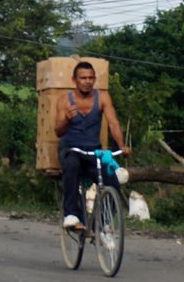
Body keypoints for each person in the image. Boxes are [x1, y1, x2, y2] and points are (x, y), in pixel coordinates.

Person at [54, 61, 131, 229]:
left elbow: (113, 123)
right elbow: (58, 131)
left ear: (94, 79)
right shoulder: (64, 100)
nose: (87, 81)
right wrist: (67, 118)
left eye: (90, 78)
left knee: (112, 182)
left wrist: (121, 145)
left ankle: (101, 225)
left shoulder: (102, 97)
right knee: (72, 166)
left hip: (92, 152)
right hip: (71, 149)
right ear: (74, 80)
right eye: (83, 78)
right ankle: (71, 215)